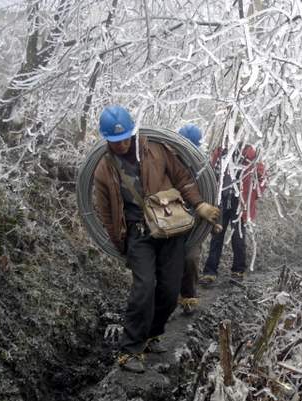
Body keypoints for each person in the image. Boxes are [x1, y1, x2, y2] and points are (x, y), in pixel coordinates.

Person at [94, 106, 219, 373]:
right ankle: (130, 350)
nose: (122, 144)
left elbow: (184, 180)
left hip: (171, 230)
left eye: (126, 138)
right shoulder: (104, 169)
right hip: (139, 235)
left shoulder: (157, 150)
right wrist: (121, 244)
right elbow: (105, 212)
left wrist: (199, 206)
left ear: (133, 132)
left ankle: (151, 335)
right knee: (144, 288)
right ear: (107, 140)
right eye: (116, 141)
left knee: (170, 290)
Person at [200, 142, 266, 284]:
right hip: (221, 200)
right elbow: (211, 172)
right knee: (216, 236)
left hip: (240, 203)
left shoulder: (251, 153)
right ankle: (210, 272)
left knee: (238, 238)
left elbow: (263, 178)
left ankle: (237, 271)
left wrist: (252, 196)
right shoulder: (220, 151)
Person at [177, 124, 204, 314]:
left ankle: (188, 297)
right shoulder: (166, 161)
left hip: (195, 221)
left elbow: (211, 194)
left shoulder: (203, 167)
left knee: (190, 258)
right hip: (169, 219)